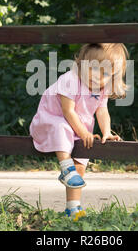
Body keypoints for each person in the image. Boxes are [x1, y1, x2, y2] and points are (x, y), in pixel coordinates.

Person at [29, 43, 129, 219]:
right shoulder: (70, 79)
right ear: (82, 63)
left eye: (105, 73)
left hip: (78, 128)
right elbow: (68, 111)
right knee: (63, 127)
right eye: (93, 68)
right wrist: (83, 133)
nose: (97, 76)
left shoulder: (102, 88)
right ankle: (66, 169)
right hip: (49, 123)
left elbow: (102, 110)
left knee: (80, 167)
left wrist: (106, 131)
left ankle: (73, 208)